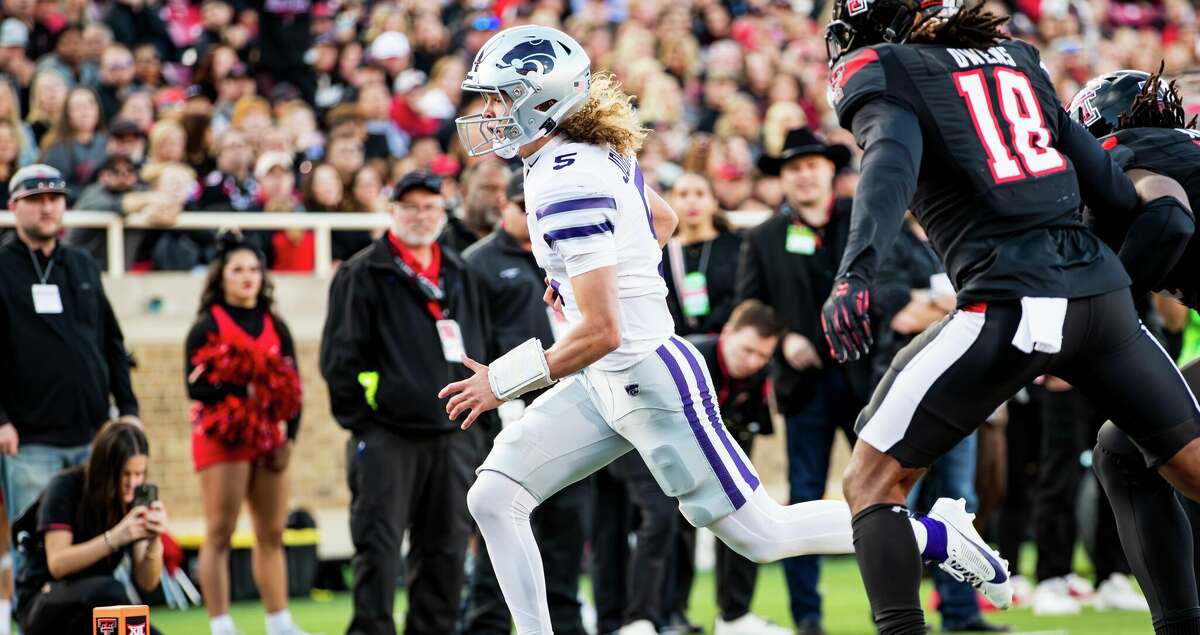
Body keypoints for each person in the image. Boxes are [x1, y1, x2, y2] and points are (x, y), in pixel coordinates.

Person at [441, 25, 1000, 635]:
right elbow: (663, 218)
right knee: (493, 498)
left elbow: (602, 329)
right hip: (606, 380)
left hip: (647, 380)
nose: (488, 112)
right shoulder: (579, 155)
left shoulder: (562, 178)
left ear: (543, 101)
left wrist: (505, 379)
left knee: (764, 534)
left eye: (500, 97)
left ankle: (937, 534)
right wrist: (610, 276)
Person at [819, 1, 1200, 632]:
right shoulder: (1020, 61)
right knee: (1158, 459)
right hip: (1101, 301)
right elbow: (1108, 186)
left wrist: (856, 272)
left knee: (871, 480)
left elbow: (888, 164)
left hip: (1009, 298)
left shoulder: (887, 69)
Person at [320, 169, 490, 635]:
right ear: (391, 210)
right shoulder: (363, 272)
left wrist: (475, 429)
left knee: (446, 553)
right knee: (377, 550)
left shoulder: (459, 271)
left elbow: (479, 348)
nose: (420, 216)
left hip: (453, 438)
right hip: (388, 438)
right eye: (410, 206)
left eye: (430, 206)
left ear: (443, 211)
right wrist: (368, 424)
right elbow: (339, 361)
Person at [1064, 68, 1200, 635]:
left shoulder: (1132, 153)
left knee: (1121, 449)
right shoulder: (1182, 148)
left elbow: (1167, 217)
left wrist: (1105, 304)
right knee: (1137, 445)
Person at [735, 126, 863, 634]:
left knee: (887, 495)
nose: (804, 174)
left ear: (831, 169)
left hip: (867, 380)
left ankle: (905, 610)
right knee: (803, 498)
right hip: (802, 387)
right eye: (792, 167)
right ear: (782, 178)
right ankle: (807, 618)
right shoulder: (764, 236)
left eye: (812, 164)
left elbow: (892, 281)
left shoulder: (862, 218)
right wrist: (783, 337)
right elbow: (750, 306)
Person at [0, 164, 139, 603]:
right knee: (38, 556)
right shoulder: (2, 268)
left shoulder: (81, 263)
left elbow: (112, 342)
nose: (48, 208)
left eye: (55, 198)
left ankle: (113, 630)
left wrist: (128, 408)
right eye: (36, 199)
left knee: (108, 544)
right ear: (14, 206)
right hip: (32, 440)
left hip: (94, 436)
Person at [461, 171, 591, 635]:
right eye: (523, 207)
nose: (530, 215)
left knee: (567, 529)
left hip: (571, 400)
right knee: (500, 520)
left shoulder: (559, 254)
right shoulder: (477, 263)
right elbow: (472, 345)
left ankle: (568, 625)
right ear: (505, 207)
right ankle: (488, 626)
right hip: (508, 407)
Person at [185, 233, 310, 635]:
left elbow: (295, 387)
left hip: (270, 439)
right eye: (238, 270)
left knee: (271, 532)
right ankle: (221, 624)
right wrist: (244, 390)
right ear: (221, 276)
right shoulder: (206, 326)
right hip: (222, 440)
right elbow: (196, 387)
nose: (247, 277)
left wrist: (290, 437)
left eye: (254, 270)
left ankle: (279, 621)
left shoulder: (277, 325)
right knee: (220, 530)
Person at [682, 299, 791, 635]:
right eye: (747, 351)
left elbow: (750, 429)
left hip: (727, 450)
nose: (754, 362)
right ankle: (666, 615)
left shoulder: (760, 375)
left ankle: (735, 616)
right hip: (674, 456)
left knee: (747, 515)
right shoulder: (692, 360)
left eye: (763, 356)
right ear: (727, 333)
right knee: (670, 527)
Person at [14, 422, 164, 635]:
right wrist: (115, 537)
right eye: (125, 474)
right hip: (44, 600)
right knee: (111, 590)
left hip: (94, 606)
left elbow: (147, 582)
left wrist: (154, 540)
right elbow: (57, 563)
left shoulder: (133, 498)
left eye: (139, 474)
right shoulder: (66, 487)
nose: (133, 482)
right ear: (106, 469)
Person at [662, 172, 741, 337]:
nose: (692, 201)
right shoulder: (662, 252)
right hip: (678, 342)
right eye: (683, 194)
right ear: (671, 203)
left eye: (700, 194)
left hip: (725, 340)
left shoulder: (736, 246)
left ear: (714, 202)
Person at [38, 86, 106, 204]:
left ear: (98, 110)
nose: (84, 112)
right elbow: (55, 187)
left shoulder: (109, 144)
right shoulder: (56, 148)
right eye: (78, 107)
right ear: (68, 114)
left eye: (89, 105)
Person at [441, 159, 509, 253]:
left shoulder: (521, 241)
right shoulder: (443, 241)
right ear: (464, 192)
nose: (501, 197)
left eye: (506, 190)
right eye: (490, 188)